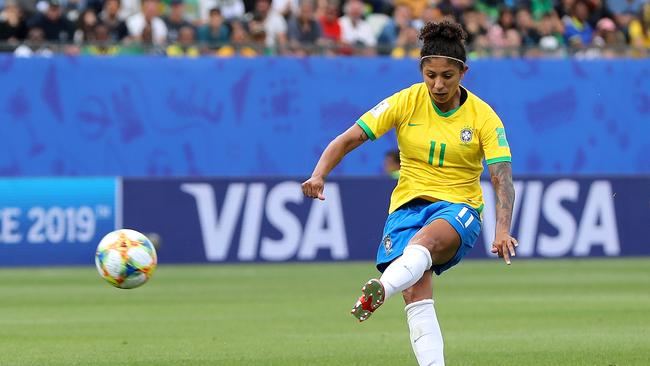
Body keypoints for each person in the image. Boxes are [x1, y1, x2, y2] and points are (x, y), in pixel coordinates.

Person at [301, 20, 518, 366]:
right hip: (406, 209)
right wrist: (318, 174)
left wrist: (502, 228)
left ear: (463, 72)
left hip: (457, 209)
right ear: (422, 70)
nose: (438, 84)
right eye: (430, 75)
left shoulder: (484, 118)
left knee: (424, 245)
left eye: (447, 75)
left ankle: (381, 290)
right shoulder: (404, 101)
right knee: (416, 293)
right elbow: (349, 138)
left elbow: (501, 176)